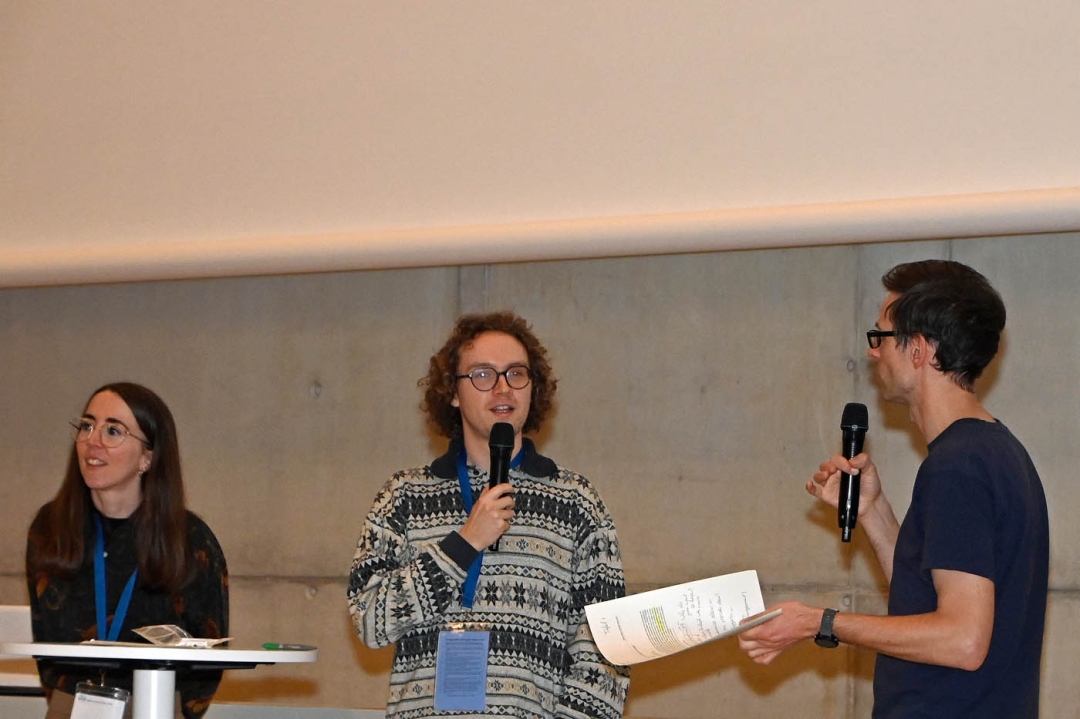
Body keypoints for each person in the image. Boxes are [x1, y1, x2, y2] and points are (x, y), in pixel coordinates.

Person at [739, 259, 1049, 717]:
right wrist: (874, 510)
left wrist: (819, 622)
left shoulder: (958, 467)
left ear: (918, 349)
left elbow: (962, 640)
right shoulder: (994, 451)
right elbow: (925, 602)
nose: (873, 353)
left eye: (880, 336)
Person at [347, 311, 629, 718]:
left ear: (533, 388)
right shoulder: (404, 496)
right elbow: (369, 622)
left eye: (516, 373)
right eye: (483, 374)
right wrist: (462, 545)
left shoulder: (577, 502)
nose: (503, 388)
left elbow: (609, 654)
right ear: (453, 392)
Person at [25, 382, 229, 719]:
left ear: (148, 457)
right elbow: (44, 637)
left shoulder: (190, 540)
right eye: (87, 426)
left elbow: (208, 657)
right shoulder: (51, 528)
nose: (92, 441)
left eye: (113, 431)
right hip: (72, 704)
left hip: (157, 704)